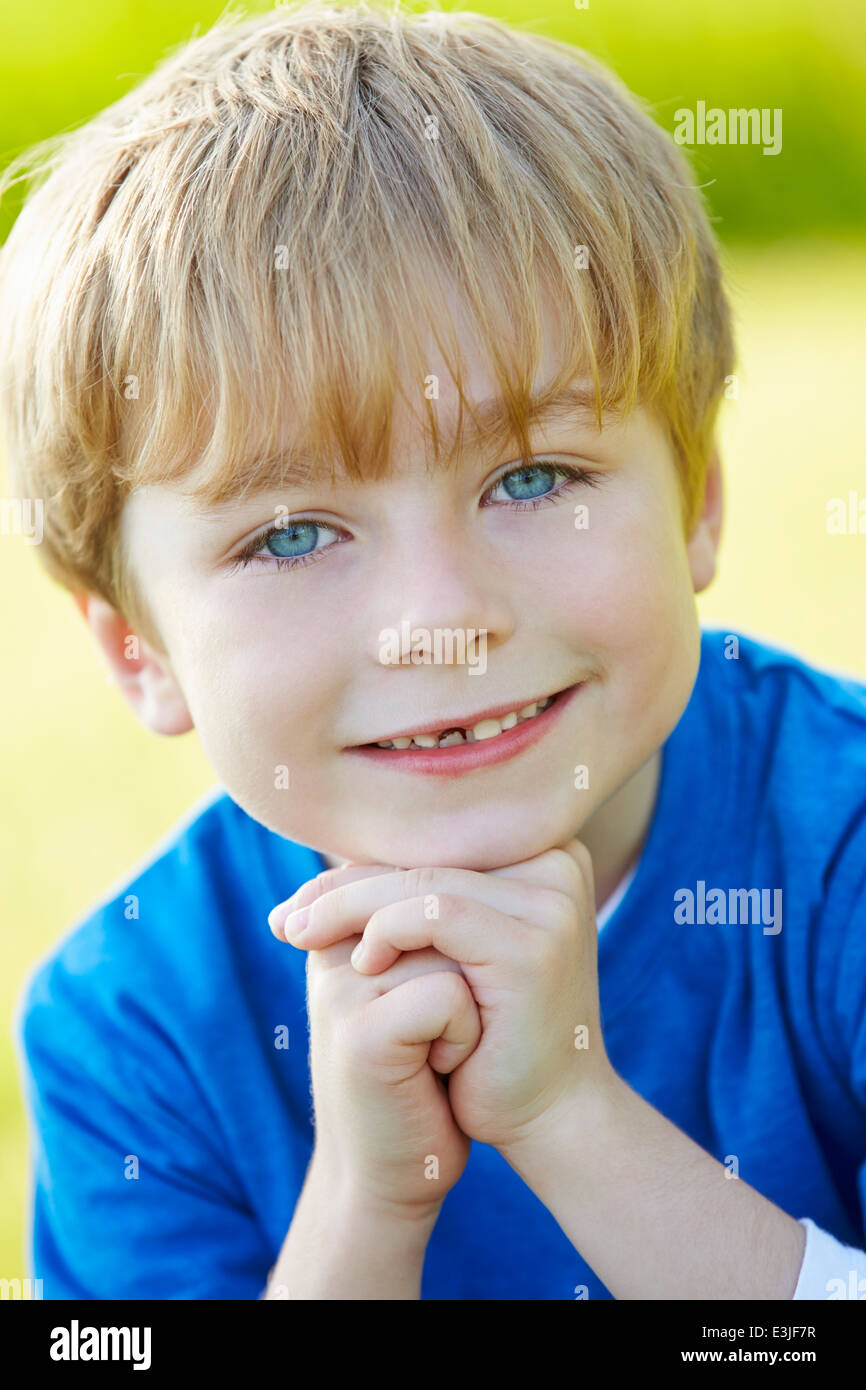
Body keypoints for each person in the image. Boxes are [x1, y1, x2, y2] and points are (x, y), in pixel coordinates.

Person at [4, 2, 866, 1299]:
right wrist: (365, 1203)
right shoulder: (132, 1021)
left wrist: (573, 1118)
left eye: (531, 476)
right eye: (293, 534)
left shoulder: (839, 848)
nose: (440, 615)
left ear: (695, 501)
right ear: (141, 651)